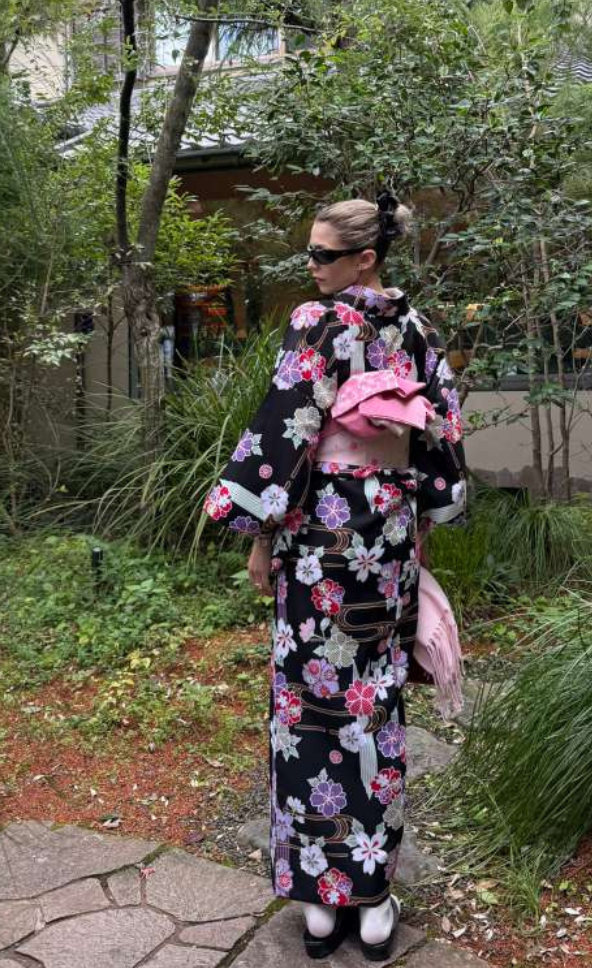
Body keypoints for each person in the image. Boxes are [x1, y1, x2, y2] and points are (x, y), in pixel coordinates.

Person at [203, 193, 467, 960]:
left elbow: (287, 426)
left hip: (319, 536)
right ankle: (374, 896)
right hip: (385, 536)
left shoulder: (319, 324)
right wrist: (423, 514)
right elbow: (443, 431)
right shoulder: (416, 329)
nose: (311, 267)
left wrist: (257, 533)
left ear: (366, 258)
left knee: (308, 707)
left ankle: (322, 900)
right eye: (310, 254)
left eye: (322, 255)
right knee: (374, 709)